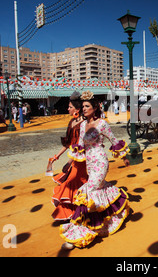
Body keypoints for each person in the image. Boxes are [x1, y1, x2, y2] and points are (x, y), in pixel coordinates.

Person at [59, 90, 130, 250]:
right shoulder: (83, 125)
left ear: (95, 108)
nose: (83, 109)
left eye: (86, 106)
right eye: (82, 106)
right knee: (98, 190)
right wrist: (70, 163)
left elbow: (113, 140)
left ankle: (81, 233)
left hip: (100, 161)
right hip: (90, 164)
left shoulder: (102, 124)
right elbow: (80, 146)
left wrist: (124, 157)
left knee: (89, 192)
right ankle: (114, 214)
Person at [50, 91, 87, 221]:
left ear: (77, 109)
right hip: (74, 158)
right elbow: (68, 143)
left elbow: (80, 145)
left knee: (71, 183)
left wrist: (69, 162)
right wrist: (57, 156)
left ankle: (76, 213)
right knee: (76, 185)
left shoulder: (84, 123)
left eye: (70, 107)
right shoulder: (72, 122)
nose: (68, 109)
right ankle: (75, 212)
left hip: (81, 159)